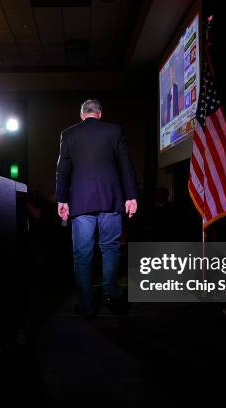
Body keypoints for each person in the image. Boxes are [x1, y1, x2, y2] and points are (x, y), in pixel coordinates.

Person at [55, 99, 137, 318]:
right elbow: (125, 165)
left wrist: (61, 200)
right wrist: (131, 197)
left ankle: (86, 305)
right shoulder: (115, 130)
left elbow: (62, 171)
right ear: (99, 114)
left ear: (82, 115)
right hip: (111, 199)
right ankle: (110, 293)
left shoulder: (68, 134)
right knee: (110, 248)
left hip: (80, 201)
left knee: (82, 255)